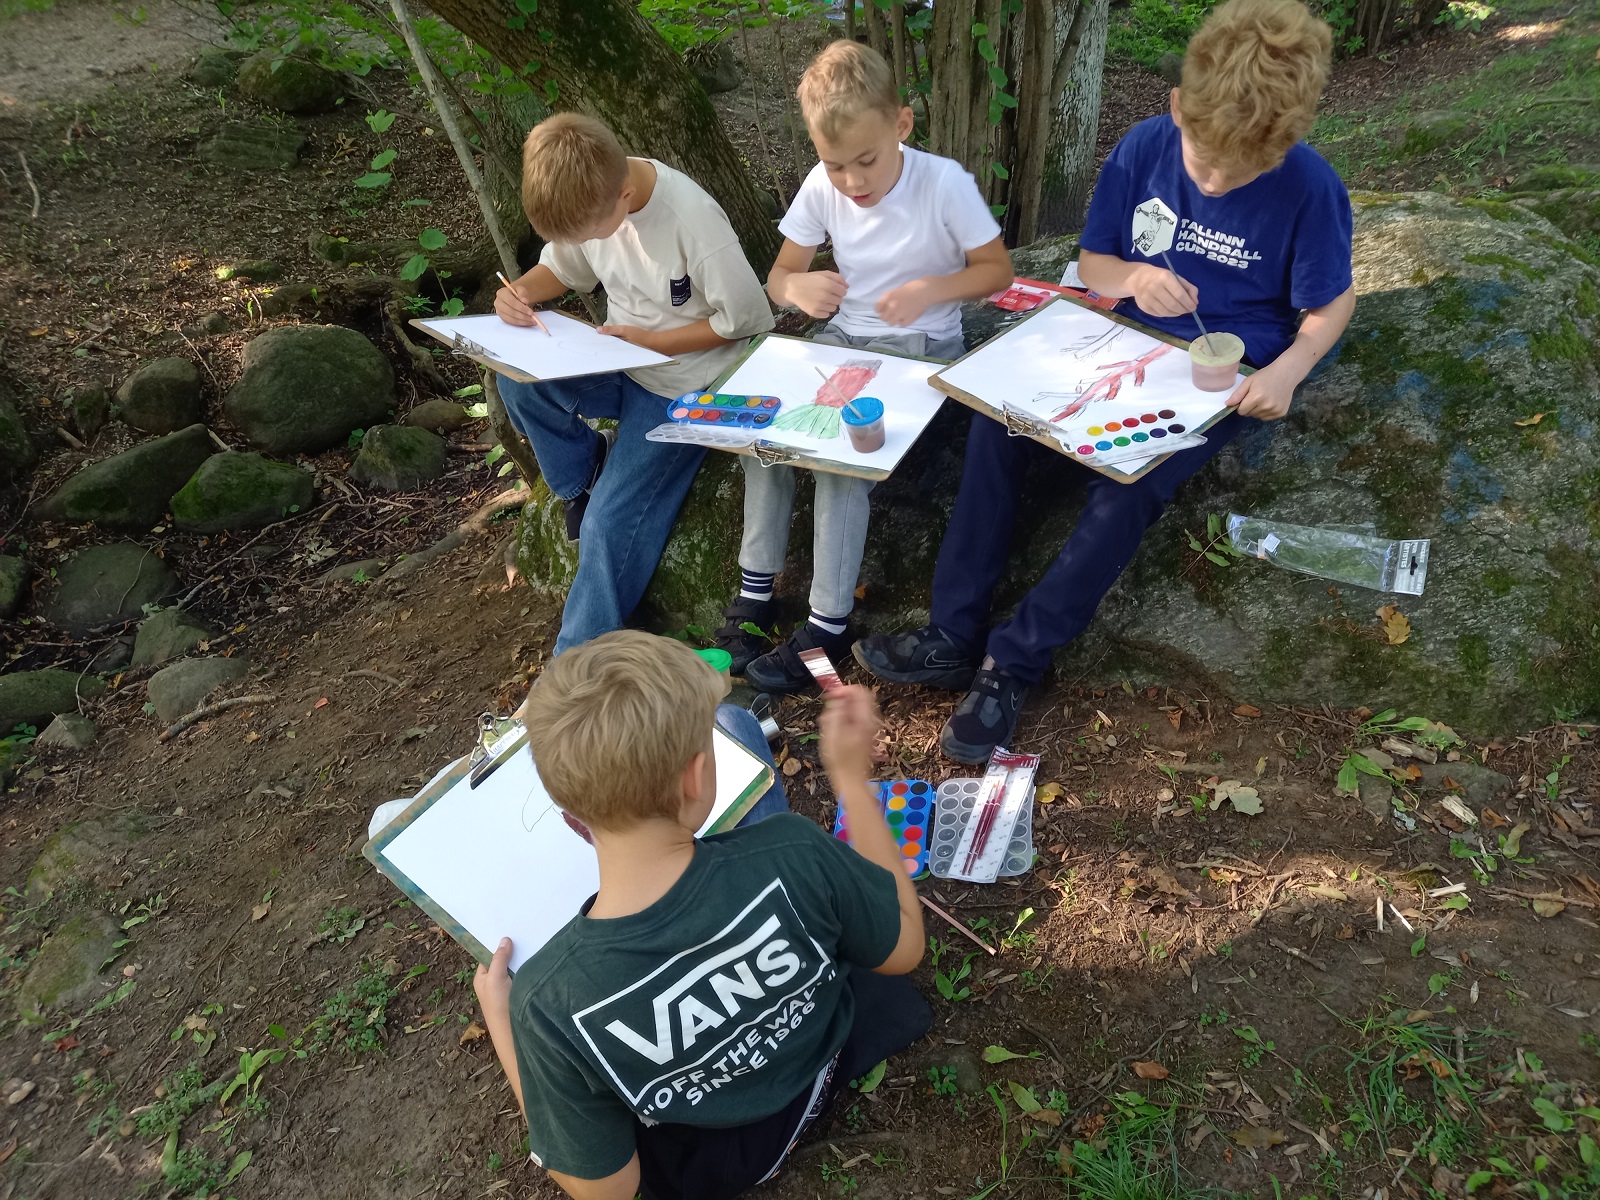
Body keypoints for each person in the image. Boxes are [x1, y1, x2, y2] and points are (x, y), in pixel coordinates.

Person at [855, 0, 1356, 763]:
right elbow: (1095, 264)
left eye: (1242, 170)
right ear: (1177, 106)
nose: (1216, 180)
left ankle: (1013, 662)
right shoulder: (1144, 148)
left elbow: (1331, 302)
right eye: (1204, 159)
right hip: (1111, 340)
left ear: (1282, 146)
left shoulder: (1309, 187)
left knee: (1130, 483)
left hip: (1211, 373)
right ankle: (952, 632)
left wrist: (1291, 367)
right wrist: (1135, 278)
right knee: (996, 420)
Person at [472, 631, 931, 1200]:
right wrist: (852, 783)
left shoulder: (545, 1004)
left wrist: (503, 1022)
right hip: (819, 1067)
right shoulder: (793, 851)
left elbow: (605, 1191)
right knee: (741, 722)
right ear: (696, 776)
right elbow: (904, 949)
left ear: (571, 821)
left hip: (711, 1160)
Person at [714, 41, 1013, 693]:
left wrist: (932, 289)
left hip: (920, 350)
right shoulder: (824, 184)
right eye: (835, 165)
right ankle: (755, 594)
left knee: (839, 459)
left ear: (901, 124)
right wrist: (796, 288)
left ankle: (827, 624)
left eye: (867, 161)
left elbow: (997, 271)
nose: (852, 181)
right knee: (762, 432)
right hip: (844, 339)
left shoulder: (943, 184)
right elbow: (780, 276)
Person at [493, 114, 774, 656]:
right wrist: (521, 292)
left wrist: (656, 343)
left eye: (590, 234)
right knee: (519, 380)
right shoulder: (591, 196)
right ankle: (584, 476)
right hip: (622, 358)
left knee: (604, 525)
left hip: (685, 385)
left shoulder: (690, 218)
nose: (586, 244)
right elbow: (564, 269)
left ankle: (575, 666)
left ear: (623, 196)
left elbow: (747, 319)